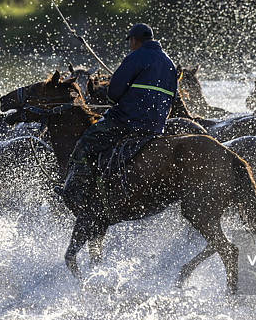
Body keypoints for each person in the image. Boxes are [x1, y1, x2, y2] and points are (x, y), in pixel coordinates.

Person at [57, 23, 178, 213]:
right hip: (155, 126)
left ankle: (78, 193)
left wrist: (111, 100)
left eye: (130, 41)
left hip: (128, 121)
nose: (130, 44)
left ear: (134, 40)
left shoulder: (135, 56)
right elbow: (171, 97)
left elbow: (114, 90)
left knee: (86, 142)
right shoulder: (169, 62)